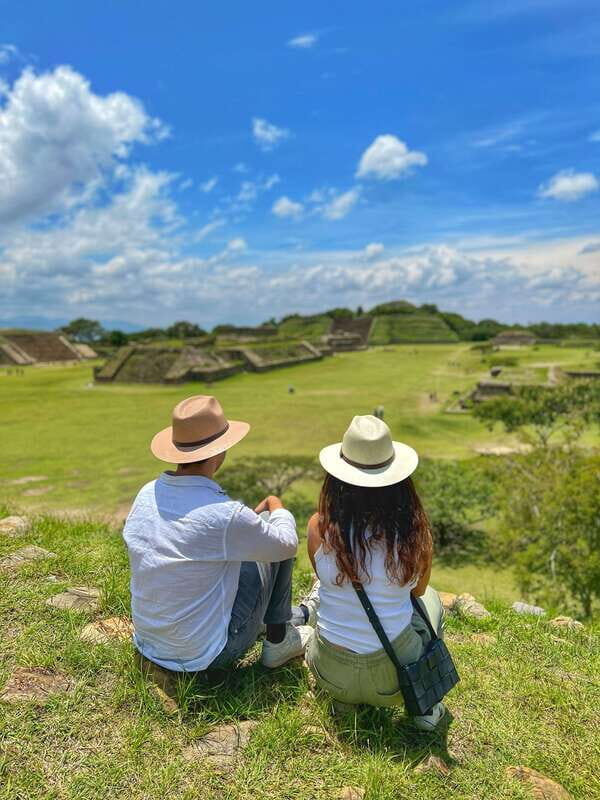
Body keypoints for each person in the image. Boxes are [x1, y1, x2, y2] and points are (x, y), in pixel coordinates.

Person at [123, 394, 314, 684]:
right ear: (219, 450)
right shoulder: (225, 514)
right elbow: (286, 543)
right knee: (275, 536)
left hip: (150, 641)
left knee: (251, 543)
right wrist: (276, 505)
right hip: (205, 654)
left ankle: (282, 619)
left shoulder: (147, 492)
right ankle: (278, 640)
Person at [305, 414, 448, 731]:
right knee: (432, 600)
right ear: (398, 482)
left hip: (330, 673)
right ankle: (424, 708)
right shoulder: (414, 536)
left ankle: (344, 700)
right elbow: (417, 592)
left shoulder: (319, 527)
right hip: (393, 684)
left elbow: (323, 578)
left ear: (336, 478)